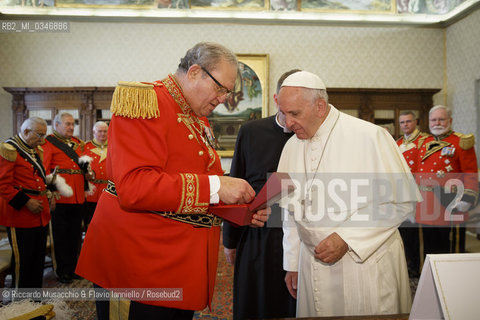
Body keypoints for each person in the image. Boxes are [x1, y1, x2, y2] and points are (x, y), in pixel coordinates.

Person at [75, 42, 268, 320]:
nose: (224, 98)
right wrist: (217, 186)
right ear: (194, 72)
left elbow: (192, 189)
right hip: (139, 266)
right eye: (221, 88)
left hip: (178, 266)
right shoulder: (145, 101)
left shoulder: (196, 116)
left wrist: (240, 209)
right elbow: (135, 188)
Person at [277, 71, 420, 317]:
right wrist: (292, 264)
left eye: (294, 114)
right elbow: (289, 211)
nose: (287, 123)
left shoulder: (371, 136)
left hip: (364, 264)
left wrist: (348, 239)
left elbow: (401, 202)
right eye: (283, 113)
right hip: (311, 263)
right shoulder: (291, 146)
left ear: (320, 106)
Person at [222, 69, 299, 320]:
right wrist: (230, 240)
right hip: (259, 237)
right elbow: (235, 185)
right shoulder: (251, 131)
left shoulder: (314, 134)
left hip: (302, 237)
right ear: (277, 100)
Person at [415, 105, 478, 255]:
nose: (437, 123)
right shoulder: (423, 142)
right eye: (433, 120)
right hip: (426, 203)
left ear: (450, 120)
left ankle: (452, 278)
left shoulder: (461, 142)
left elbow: (470, 173)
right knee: (428, 246)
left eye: (441, 119)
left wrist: (467, 199)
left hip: (450, 202)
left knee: (449, 247)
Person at [0, 117, 51, 289]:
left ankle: (34, 304)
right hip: (20, 215)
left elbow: (38, 178)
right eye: (40, 135)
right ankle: (21, 306)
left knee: (37, 262)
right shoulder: (9, 149)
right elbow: (3, 185)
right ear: (27, 131)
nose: (42, 140)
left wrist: (48, 195)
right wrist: (27, 202)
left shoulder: (34, 149)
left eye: (44, 135)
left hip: (40, 215)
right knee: (23, 263)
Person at [42, 112, 92, 284]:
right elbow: (45, 170)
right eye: (67, 124)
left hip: (77, 196)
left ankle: (72, 268)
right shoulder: (48, 142)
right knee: (60, 236)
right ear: (56, 125)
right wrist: (52, 193)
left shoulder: (78, 144)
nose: (71, 127)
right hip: (60, 196)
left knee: (74, 235)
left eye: (73, 124)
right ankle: (62, 270)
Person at [396, 111, 429, 277]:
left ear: (415, 121)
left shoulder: (425, 141)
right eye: (402, 122)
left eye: (408, 121)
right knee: (405, 233)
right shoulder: (398, 143)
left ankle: (419, 266)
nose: (405, 125)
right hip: (402, 195)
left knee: (419, 235)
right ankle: (409, 264)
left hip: (421, 194)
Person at [82, 121, 109, 230]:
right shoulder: (85, 147)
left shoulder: (114, 145)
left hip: (109, 191)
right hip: (90, 192)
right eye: (100, 131)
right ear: (94, 132)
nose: (103, 134)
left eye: (105, 131)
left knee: (108, 224)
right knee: (91, 224)